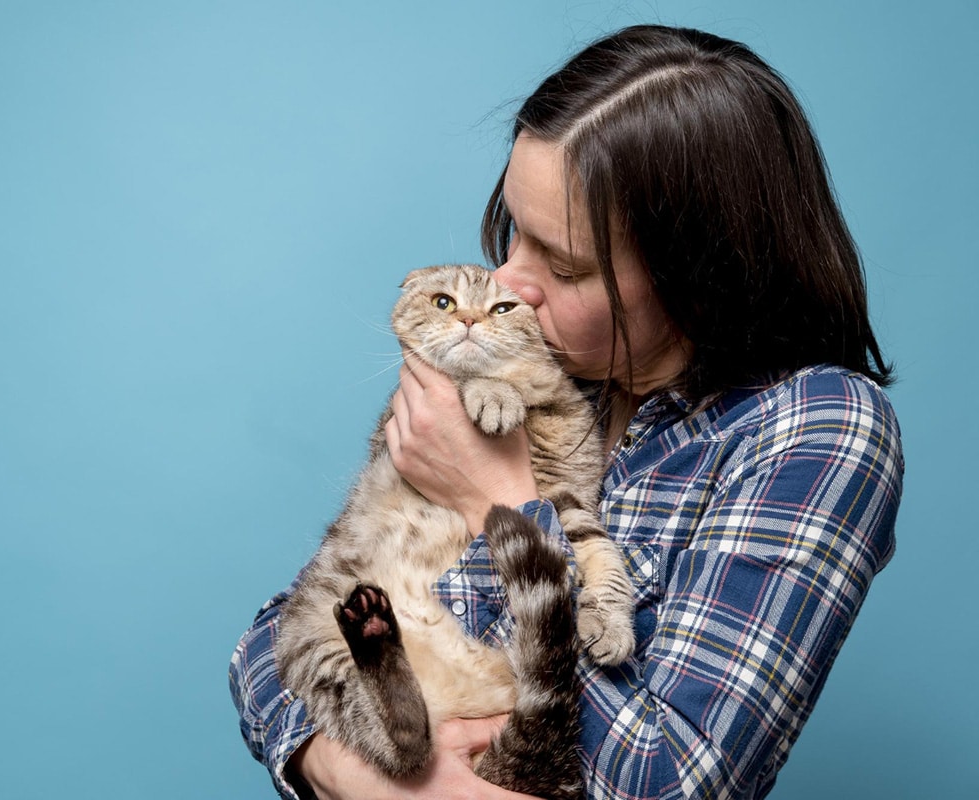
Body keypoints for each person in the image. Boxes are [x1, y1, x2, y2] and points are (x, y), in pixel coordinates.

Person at [228, 24, 903, 800]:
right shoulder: (526, 366)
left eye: (566, 263)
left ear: (699, 277)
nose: (508, 283)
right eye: (516, 228)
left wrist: (498, 503)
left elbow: (667, 781)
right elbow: (276, 640)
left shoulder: (813, 428)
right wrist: (358, 775)